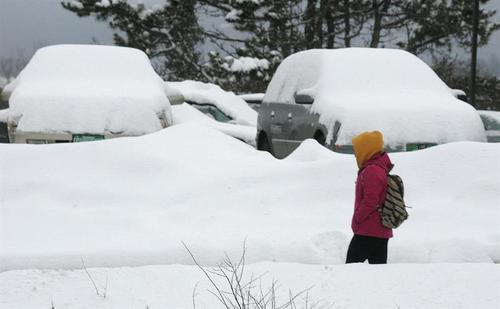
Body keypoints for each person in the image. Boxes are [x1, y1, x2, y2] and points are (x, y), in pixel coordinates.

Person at [346, 130, 393, 264]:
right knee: (377, 273)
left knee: (350, 269)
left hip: (368, 230)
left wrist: (357, 219)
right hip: (380, 230)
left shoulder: (372, 170)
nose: (355, 154)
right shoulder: (379, 167)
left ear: (366, 150)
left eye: (357, 149)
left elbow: (371, 201)